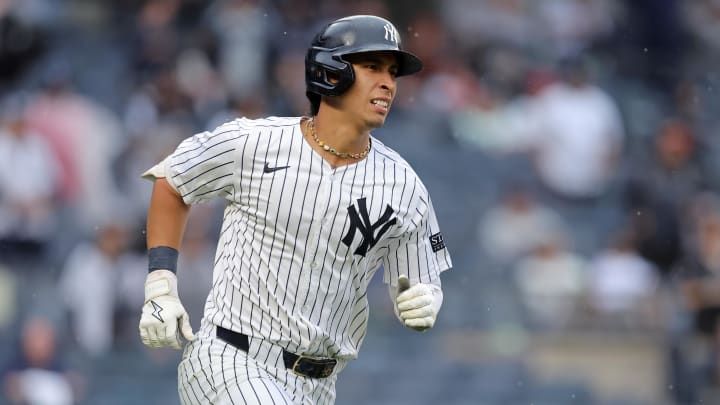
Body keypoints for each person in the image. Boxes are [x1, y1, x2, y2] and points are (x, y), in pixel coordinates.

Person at [138, 15, 452, 405]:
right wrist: (161, 286)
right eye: (372, 66)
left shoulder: (405, 185)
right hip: (230, 358)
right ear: (330, 72)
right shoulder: (253, 142)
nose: (388, 82)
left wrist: (424, 299)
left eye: (392, 72)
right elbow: (173, 182)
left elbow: (420, 282)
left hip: (319, 386)